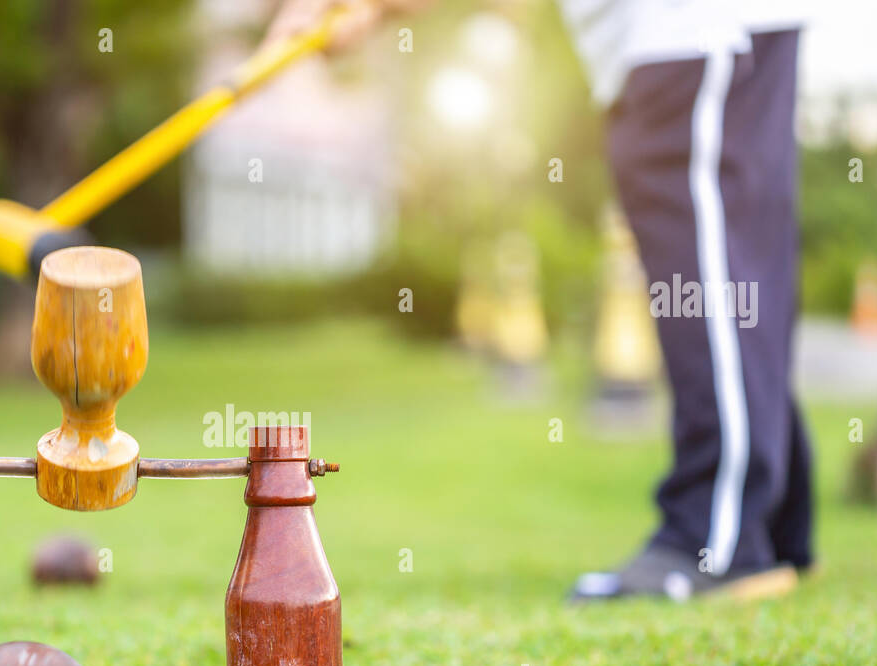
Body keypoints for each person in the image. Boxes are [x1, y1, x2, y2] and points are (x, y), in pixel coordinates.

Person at [264, 0, 814, 602]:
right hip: (725, 27)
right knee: (738, 260)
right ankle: (768, 526)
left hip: (684, 27)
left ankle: (718, 541)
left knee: (707, 260)